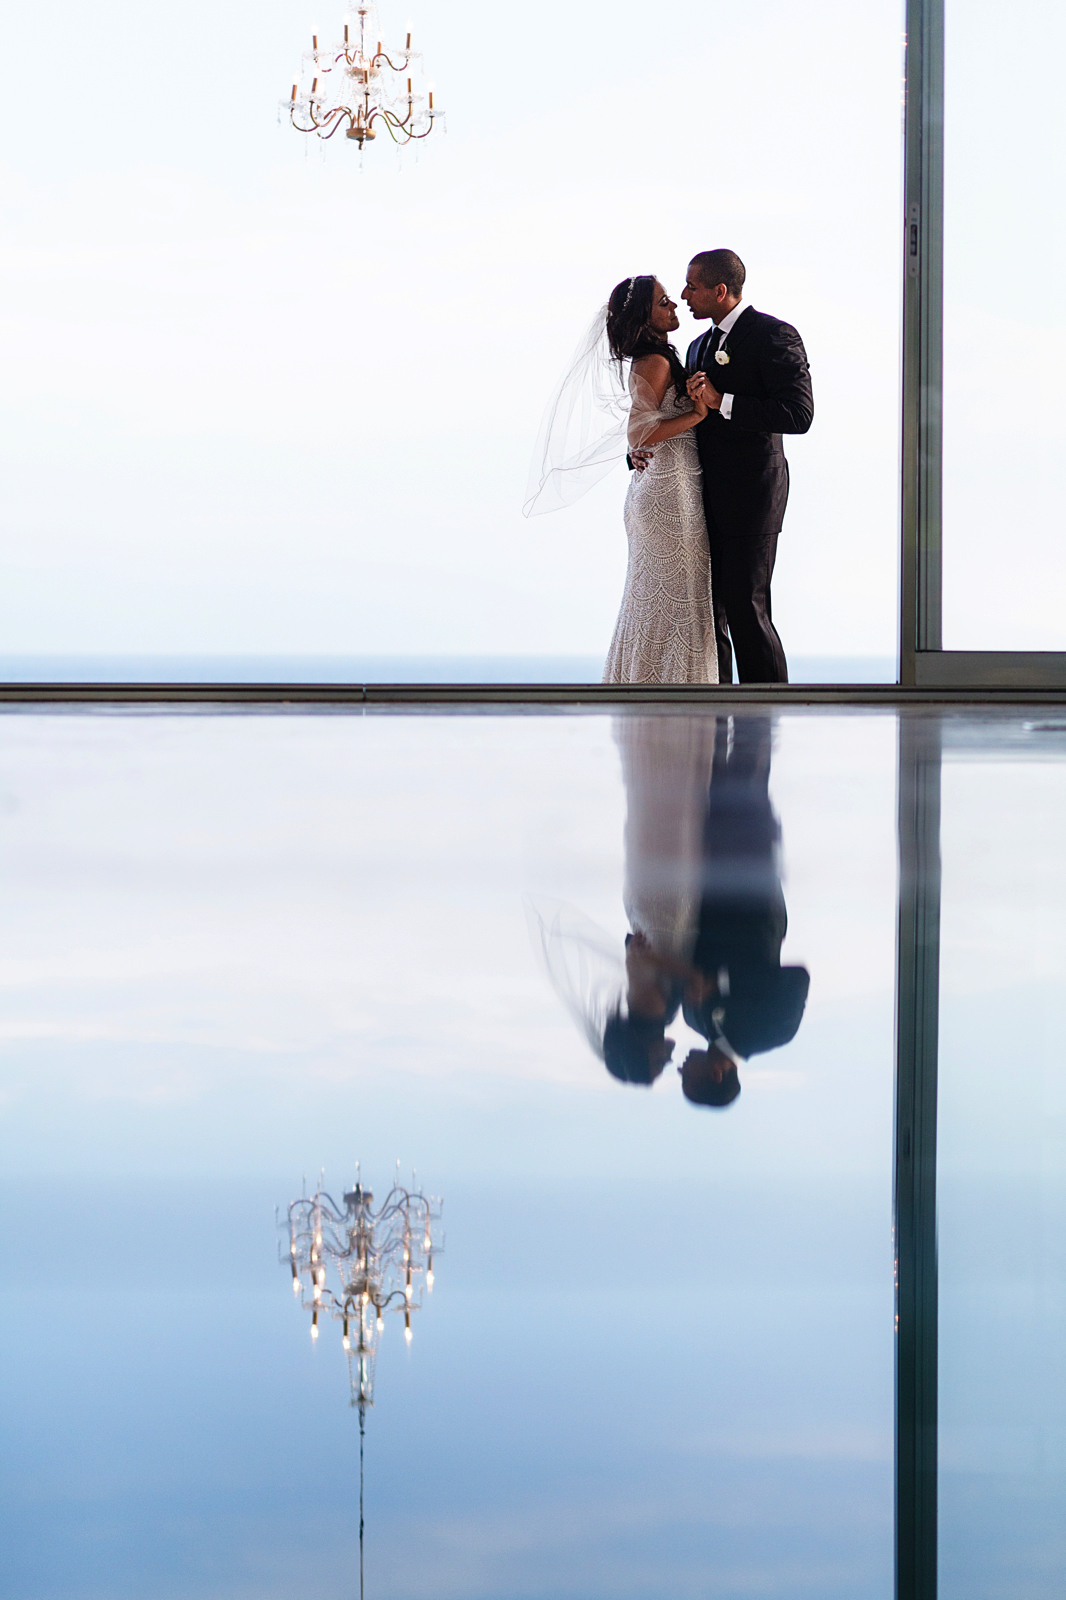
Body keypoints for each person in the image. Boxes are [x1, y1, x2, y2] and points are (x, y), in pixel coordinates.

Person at [523, 276, 718, 685]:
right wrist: (696, 416)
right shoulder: (656, 361)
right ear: (645, 319)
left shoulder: (657, 357)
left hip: (666, 483)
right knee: (675, 599)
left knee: (663, 597)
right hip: (669, 492)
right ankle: (671, 707)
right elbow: (638, 434)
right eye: (664, 303)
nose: (674, 306)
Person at [681, 249, 814, 685]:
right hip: (700, 497)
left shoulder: (774, 335)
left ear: (720, 291)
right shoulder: (698, 346)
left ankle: (768, 713)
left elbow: (798, 415)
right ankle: (719, 709)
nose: (684, 295)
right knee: (709, 614)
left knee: (747, 609)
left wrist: (724, 402)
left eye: (693, 287)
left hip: (753, 495)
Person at [680, 715, 810, 1108]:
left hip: (708, 885)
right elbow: (797, 980)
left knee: (709, 774)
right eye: (689, 1078)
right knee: (751, 778)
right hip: (755, 898)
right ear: (717, 1074)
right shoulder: (773, 1032)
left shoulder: (692, 1018)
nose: (680, 1068)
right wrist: (722, 987)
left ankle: (713, 665)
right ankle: (760, 683)